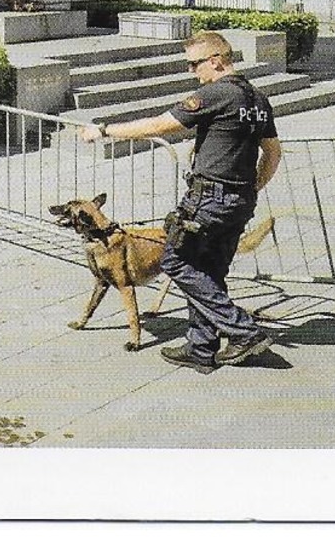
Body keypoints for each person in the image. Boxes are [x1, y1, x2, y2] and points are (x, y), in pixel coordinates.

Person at [79, 31, 282, 374]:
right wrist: (250, 190)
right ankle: (201, 348)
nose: (192, 72)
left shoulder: (217, 93)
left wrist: (104, 130)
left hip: (210, 200)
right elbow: (273, 153)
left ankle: (244, 330)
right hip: (239, 200)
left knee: (175, 262)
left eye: (195, 64)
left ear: (217, 60)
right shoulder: (257, 98)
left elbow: (161, 125)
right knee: (210, 272)